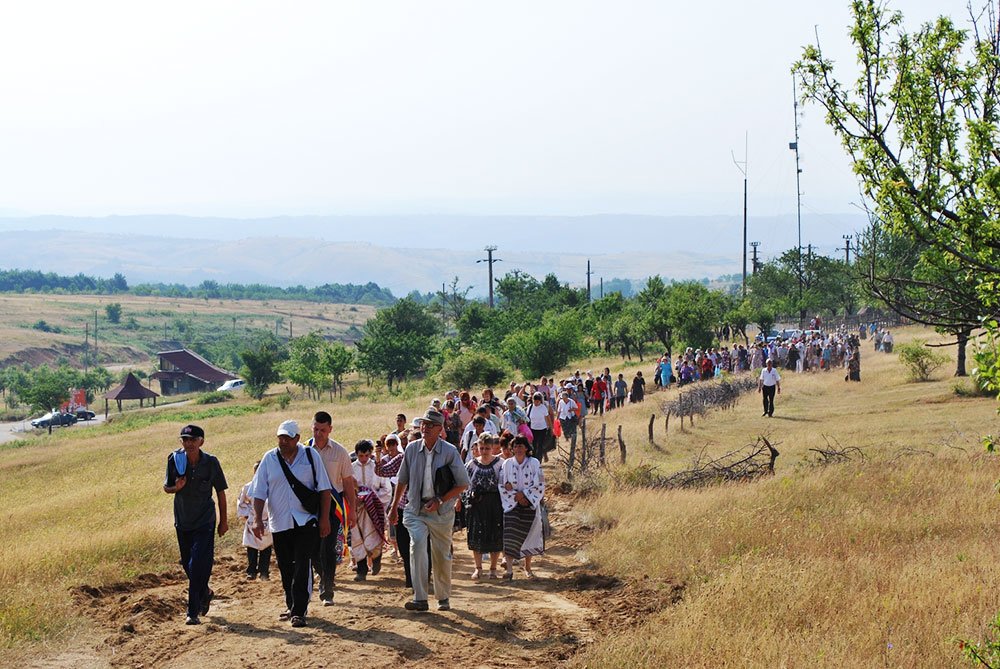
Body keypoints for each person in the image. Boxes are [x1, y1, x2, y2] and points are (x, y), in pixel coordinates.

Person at [251, 420, 333, 628]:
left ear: (297, 438)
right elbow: (259, 493)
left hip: (305, 521)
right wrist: (257, 519)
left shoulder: (310, 456)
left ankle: (299, 611)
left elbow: (324, 489)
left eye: (288, 437)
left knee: (302, 565)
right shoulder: (269, 459)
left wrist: (324, 519)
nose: (283, 441)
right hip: (280, 523)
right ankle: (291, 604)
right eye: (281, 437)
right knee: (286, 567)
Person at [388, 408, 470, 612]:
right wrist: (394, 506)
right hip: (416, 508)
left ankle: (443, 597)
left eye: (430, 424)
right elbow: (402, 479)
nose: (425, 427)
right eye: (424, 423)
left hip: (441, 513)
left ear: (440, 429)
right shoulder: (412, 449)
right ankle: (420, 598)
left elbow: (463, 484)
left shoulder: (450, 452)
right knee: (416, 546)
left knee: (441, 555)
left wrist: (441, 500)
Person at [163, 424, 228, 625]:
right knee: (188, 564)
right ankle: (205, 591)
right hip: (183, 520)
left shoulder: (211, 462)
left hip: (205, 521)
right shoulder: (175, 459)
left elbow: (220, 492)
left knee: (197, 563)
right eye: (185, 440)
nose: (189, 443)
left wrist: (223, 521)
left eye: (193, 440)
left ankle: (192, 612)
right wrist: (177, 487)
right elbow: (166, 487)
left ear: (201, 441)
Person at [304, 411, 357, 607]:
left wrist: (352, 510)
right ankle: (323, 575)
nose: (318, 434)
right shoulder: (304, 451)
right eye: (315, 429)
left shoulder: (340, 452)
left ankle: (328, 588)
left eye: (323, 430)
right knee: (311, 549)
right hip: (310, 507)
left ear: (330, 430)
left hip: (334, 508)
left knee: (327, 549)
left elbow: (348, 483)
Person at [499, 435, 545, 580]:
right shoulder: (506, 464)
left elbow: (540, 483)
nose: (518, 449)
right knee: (510, 534)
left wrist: (525, 496)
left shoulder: (534, 463)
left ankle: (528, 567)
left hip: (530, 503)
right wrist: (515, 496)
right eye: (516, 446)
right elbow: (502, 484)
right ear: (512, 448)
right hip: (511, 504)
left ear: (526, 448)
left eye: (521, 446)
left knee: (530, 534)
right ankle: (510, 570)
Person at [464, 434, 504, 580]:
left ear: (492, 447)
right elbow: (465, 485)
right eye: (482, 448)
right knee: (477, 535)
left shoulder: (501, 464)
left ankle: (493, 569)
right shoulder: (471, 465)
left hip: (495, 502)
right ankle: (478, 568)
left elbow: (505, 484)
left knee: (495, 535)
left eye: (487, 448)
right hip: (477, 504)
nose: (484, 451)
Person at [351, 439, 392, 581]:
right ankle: (361, 571)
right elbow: (346, 488)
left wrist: (373, 499)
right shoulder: (350, 469)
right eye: (360, 456)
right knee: (357, 538)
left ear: (370, 454)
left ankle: (376, 560)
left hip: (373, 509)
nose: (363, 459)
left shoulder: (377, 467)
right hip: (356, 510)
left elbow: (386, 489)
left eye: (366, 456)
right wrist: (354, 499)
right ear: (356, 454)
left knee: (373, 537)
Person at [237, 461, 271, 581]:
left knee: (266, 548)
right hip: (252, 521)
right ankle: (251, 571)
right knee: (251, 547)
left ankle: (264, 571)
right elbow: (241, 502)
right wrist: (247, 515)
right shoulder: (248, 487)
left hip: (267, 521)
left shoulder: (271, 486)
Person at [526, 392, 554, 462]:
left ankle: (539, 460)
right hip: (533, 429)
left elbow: (548, 418)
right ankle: (534, 458)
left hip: (542, 429)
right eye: (535, 401)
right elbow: (527, 418)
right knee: (534, 445)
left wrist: (551, 428)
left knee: (540, 444)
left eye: (538, 401)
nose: (536, 403)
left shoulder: (543, 408)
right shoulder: (530, 407)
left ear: (540, 401)